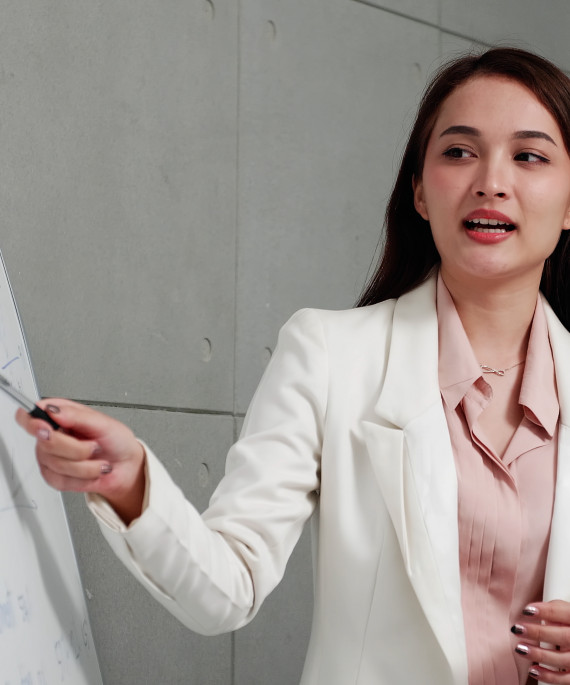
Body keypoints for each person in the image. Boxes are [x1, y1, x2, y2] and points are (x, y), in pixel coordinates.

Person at [15, 47, 570, 684]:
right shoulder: (331, 355)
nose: (491, 181)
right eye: (458, 151)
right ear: (419, 191)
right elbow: (227, 586)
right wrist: (131, 483)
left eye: (529, 156)